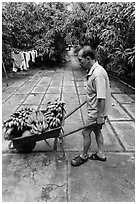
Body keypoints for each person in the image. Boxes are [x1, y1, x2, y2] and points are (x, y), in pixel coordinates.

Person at [71, 46, 112, 167]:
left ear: (88, 58)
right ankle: (101, 154)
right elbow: (96, 92)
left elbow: (101, 98)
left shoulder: (98, 74)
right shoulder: (96, 70)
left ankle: (83, 156)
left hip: (96, 112)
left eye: (80, 60)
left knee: (85, 132)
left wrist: (99, 116)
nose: (80, 62)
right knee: (97, 131)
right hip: (97, 111)